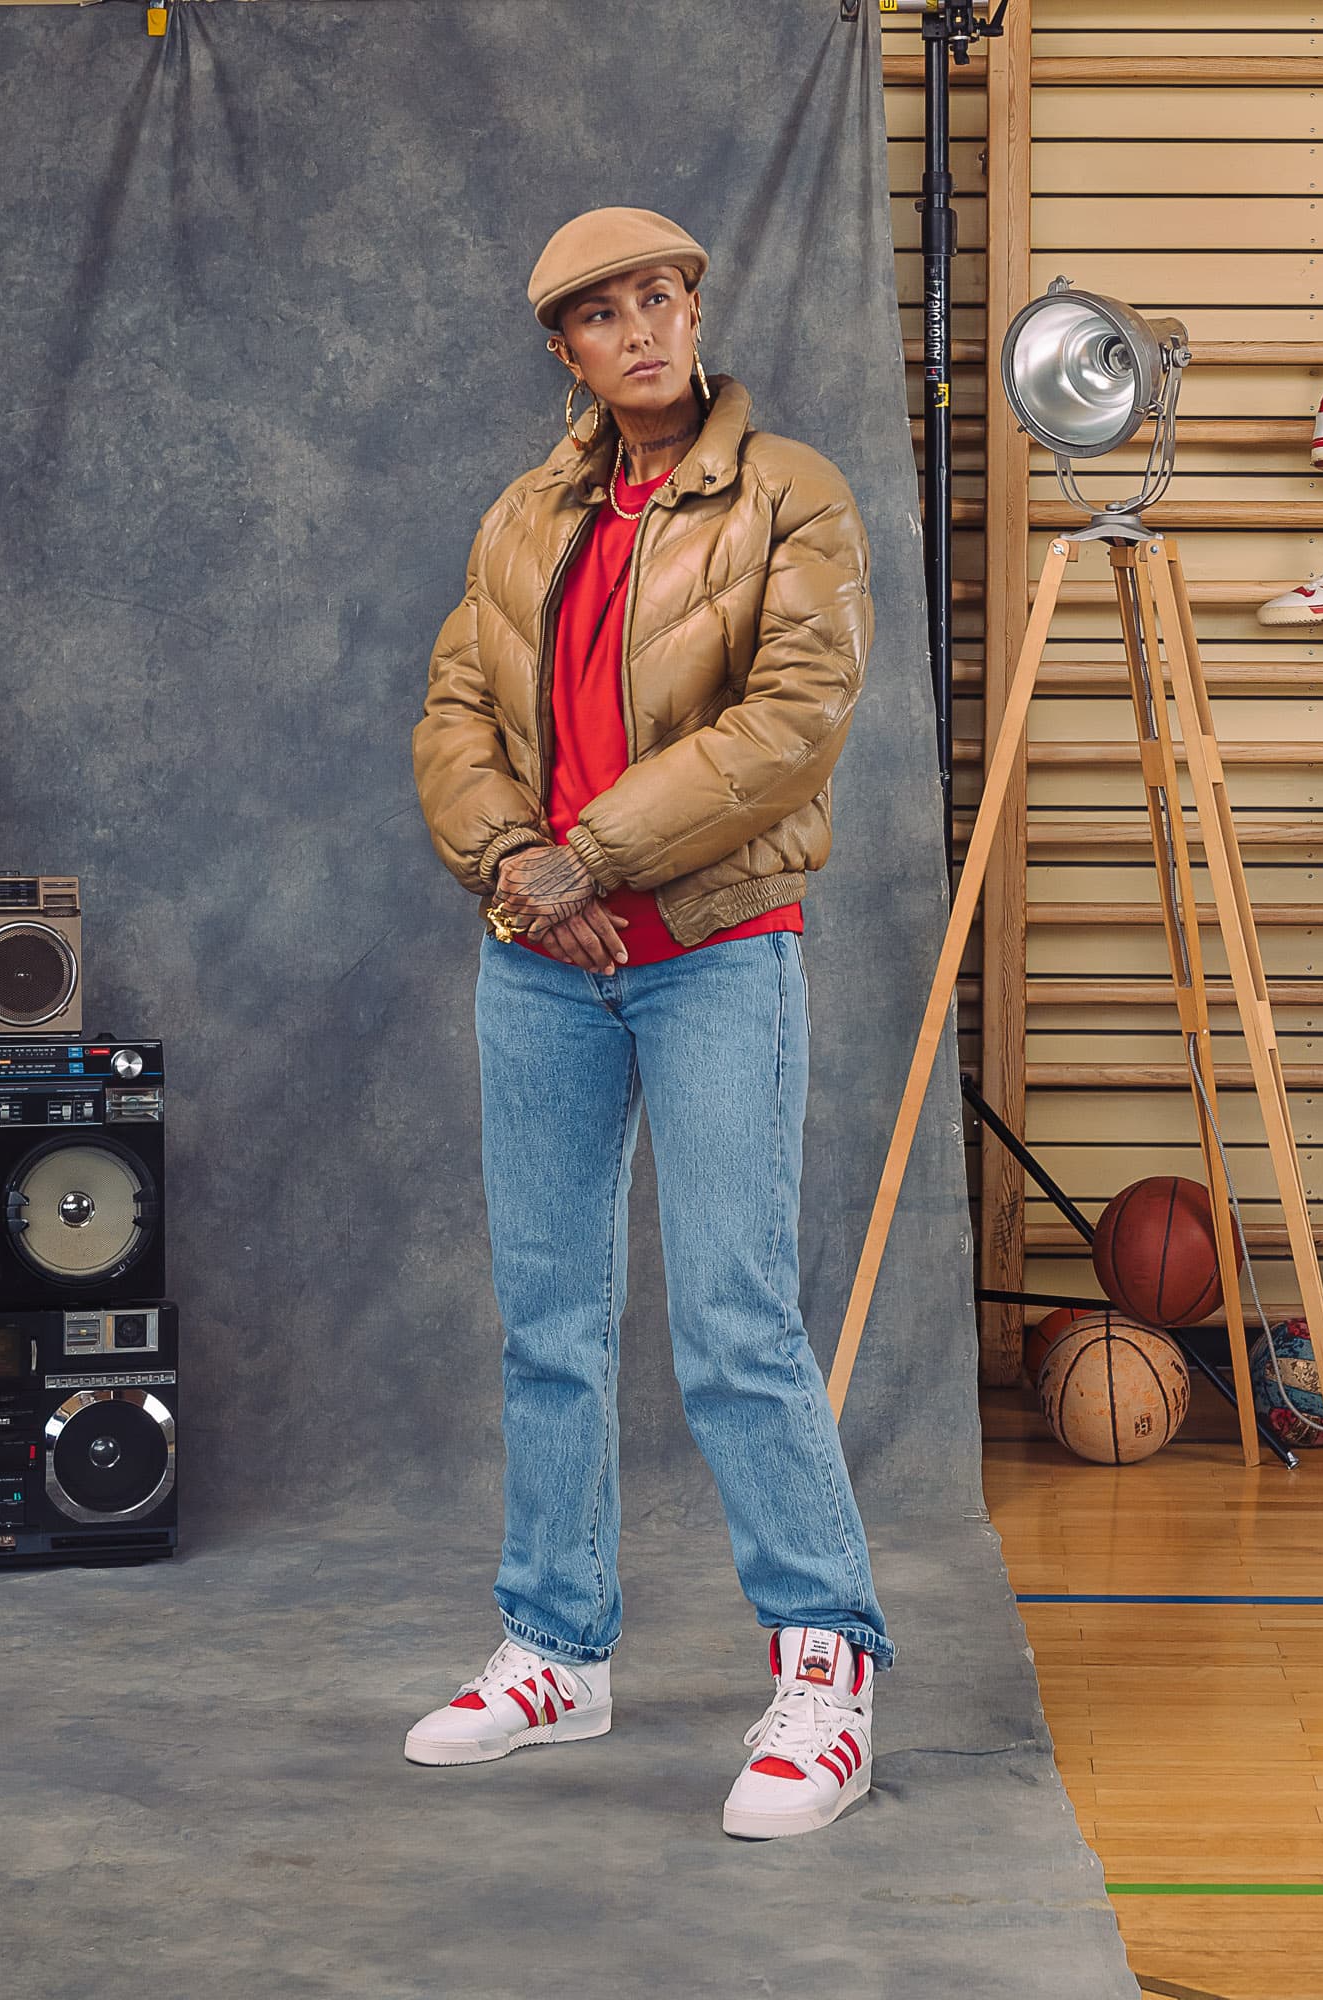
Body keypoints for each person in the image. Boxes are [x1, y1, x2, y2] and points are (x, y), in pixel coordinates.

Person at [407, 205, 893, 1840]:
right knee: (548, 1320)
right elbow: (457, 711)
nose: (642, 329)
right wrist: (510, 863)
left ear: (695, 310)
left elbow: (795, 720)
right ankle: (556, 1649)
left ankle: (826, 1670)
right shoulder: (525, 514)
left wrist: (591, 857)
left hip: (713, 954)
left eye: (663, 297)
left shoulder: (791, 494)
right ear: (565, 348)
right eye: (604, 312)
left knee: (735, 1322)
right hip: (539, 963)